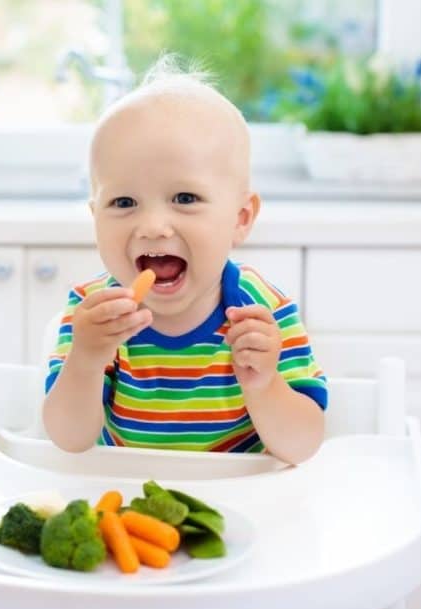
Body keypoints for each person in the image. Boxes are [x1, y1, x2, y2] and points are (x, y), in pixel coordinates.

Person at [42, 58, 327, 465]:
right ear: (95, 217)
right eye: (124, 202)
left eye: (185, 199)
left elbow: (303, 445)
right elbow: (69, 440)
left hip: (237, 508)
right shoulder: (93, 315)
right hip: (125, 503)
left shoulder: (262, 311)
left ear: (240, 218)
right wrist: (85, 361)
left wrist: (264, 384)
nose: (154, 226)